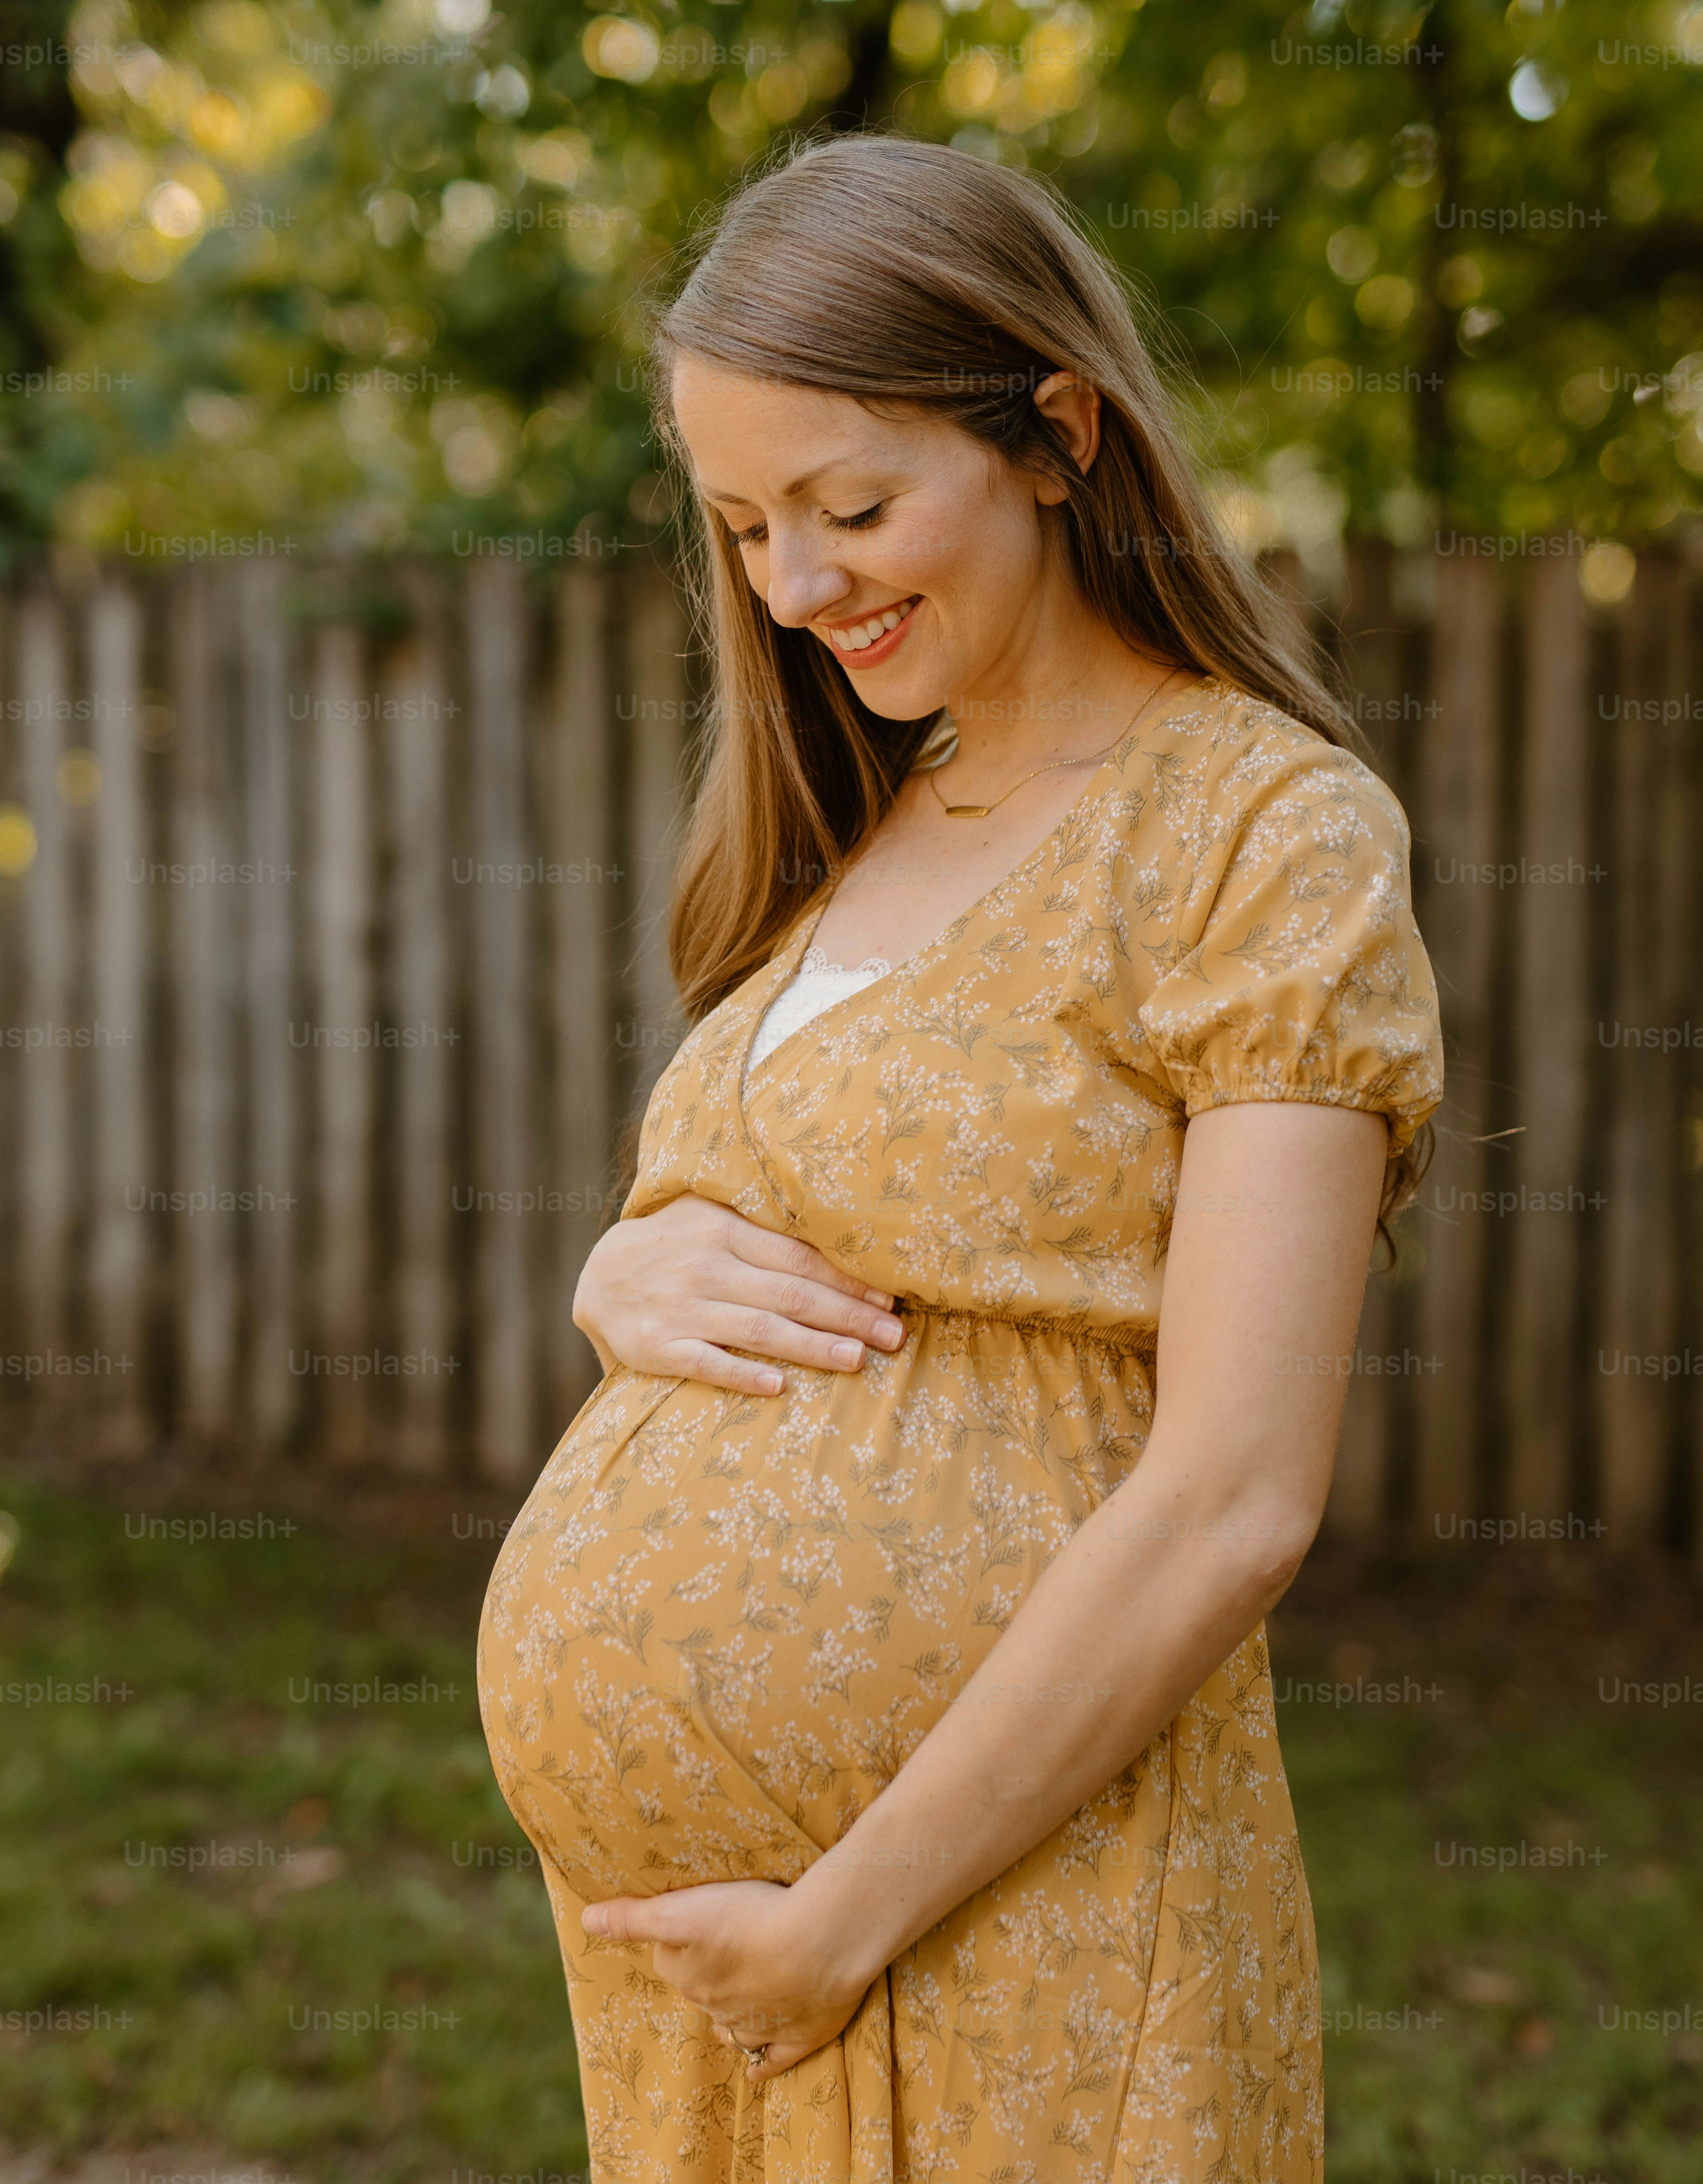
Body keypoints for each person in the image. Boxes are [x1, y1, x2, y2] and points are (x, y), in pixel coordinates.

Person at [473, 132, 1445, 2182]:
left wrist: (842, 1919)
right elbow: (797, 1220)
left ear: (1058, 435)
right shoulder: (859, 815)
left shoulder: (1258, 833)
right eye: (741, 524)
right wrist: (615, 1274)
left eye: (850, 504)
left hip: (1012, 1918)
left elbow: (1236, 1497)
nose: (798, 586)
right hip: (713, 1985)